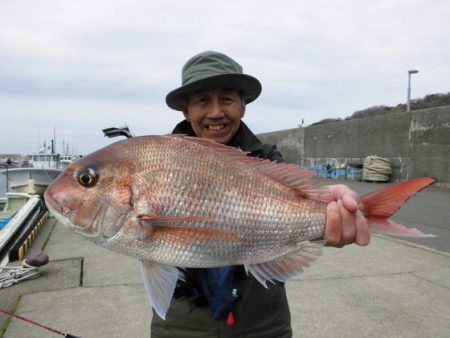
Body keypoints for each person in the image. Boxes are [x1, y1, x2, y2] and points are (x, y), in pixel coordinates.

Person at [151, 51, 370, 337]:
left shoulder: (267, 159)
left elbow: (297, 209)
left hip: (264, 323)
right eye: (202, 100)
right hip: (180, 325)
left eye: (227, 99)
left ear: (243, 106)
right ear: (186, 110)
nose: (216, 112)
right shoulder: (160, 163)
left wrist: (331, 211)